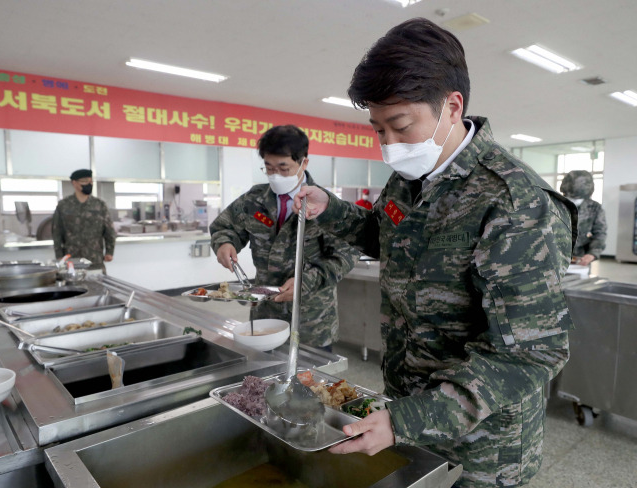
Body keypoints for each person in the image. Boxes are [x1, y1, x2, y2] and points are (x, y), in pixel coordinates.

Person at [293, 18, 577, 488]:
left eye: (400, 126)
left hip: (484, 446)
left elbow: (533, 350)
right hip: (408, 414)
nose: (388, 144)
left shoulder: (511, 200)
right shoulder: (408, 181)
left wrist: (405, 419)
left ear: (452, 106)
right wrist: (332, 210)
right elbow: (390, 240)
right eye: (378, 129)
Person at [210, 125, 358, 351]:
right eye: (268, 168)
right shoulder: (254, 200)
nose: (275, 175)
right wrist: (225, 243)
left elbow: (345, 255)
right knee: (264, 377)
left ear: (303, 163)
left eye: (284, 168)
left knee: (313, 382)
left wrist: (306, 280)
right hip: (265, 313)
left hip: (311, 317)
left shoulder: (325, 205)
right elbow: (225, 226)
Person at [52, 169, 116, 271]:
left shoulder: (99, 205)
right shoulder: (64, 205)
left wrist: (109, 252)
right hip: (72, 259)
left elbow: (109, 230)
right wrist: (59, 255)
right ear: (74, 183)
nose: (89, 184)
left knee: (98, 285)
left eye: (91, 181)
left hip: (95, 259)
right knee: (73, 285)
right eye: (85, 181)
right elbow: (57, 232)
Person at [560, 170, 607, 266]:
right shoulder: (555, 203)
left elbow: (600, 233)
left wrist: (592, 253)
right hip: (554, 257)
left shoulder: (594, 207)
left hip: (580, 258)